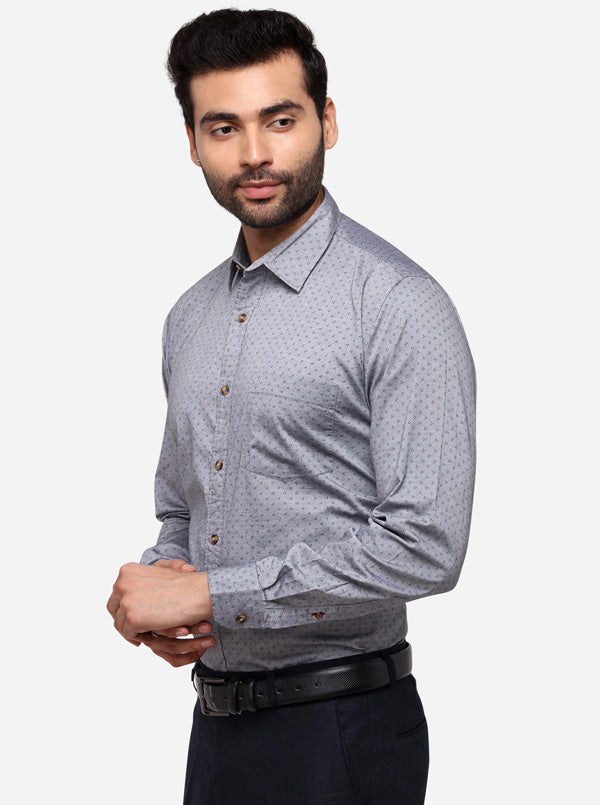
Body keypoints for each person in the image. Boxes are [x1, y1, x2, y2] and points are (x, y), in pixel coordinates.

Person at [107, 8, 476, 804]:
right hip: (215, 728)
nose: (254, 154)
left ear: (327, 121)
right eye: (224, 127)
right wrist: (165, 585)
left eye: (280, 120)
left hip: (343, 732)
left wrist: (214, 594)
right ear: (192, 141)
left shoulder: (399, 304)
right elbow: (181, 504)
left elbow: (427, 544)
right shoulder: (189, 317)